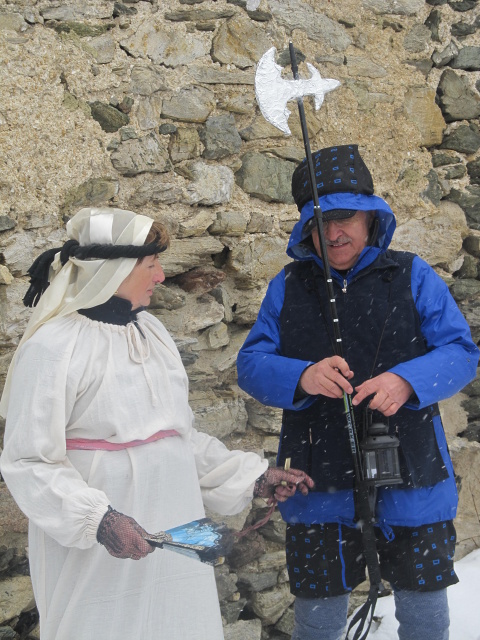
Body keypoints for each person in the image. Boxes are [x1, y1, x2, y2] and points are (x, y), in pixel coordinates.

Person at [0, 206, 314, 640]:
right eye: (151, 265)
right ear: (114, 269)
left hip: (173, 523)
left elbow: (175, 436)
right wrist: (100, 521)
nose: (161, 276)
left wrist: (253, 477)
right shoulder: (54, 348)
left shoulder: (152, 333)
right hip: (97, 543)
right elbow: (29, 460)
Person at [236, 144, 479, 640]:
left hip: (410, 470)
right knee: (319, 619)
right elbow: (251, 364)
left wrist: (406, 380)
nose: (333, 232)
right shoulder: (288, 285)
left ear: (371, 219)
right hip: (317, 478)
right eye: (320, 222)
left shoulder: (412, 274)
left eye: (345, 218)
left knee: (425, 613)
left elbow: (460, 350)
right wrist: (301, 376)